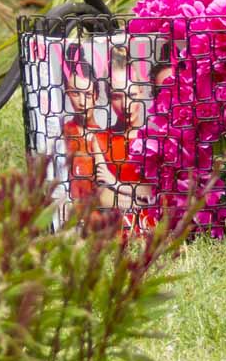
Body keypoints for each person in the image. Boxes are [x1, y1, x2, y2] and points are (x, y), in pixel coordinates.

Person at [59, 36, 160, 229]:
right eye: (117, 96)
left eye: (132, 94)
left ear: (142, 91)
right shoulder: (98, 140)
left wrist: (117, 184)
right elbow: (100, 198)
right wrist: (138, 195)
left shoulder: (156, 141)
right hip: (112, 236)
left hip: (153, 234)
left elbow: (161, 196)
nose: (126, 105)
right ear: (106, 96)